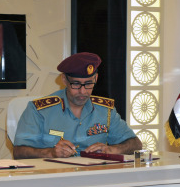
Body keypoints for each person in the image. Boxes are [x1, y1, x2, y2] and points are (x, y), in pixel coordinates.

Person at [13, 52, 142, 159]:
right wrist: (51, 153)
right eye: (76, 84)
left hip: (94, 178)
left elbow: (135, 144)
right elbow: (19, 152)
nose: (82, 91)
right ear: (64, 80)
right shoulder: (39, 110)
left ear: (96, 78)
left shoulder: (105, 110)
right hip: (53, 178)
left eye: (88, 84)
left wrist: (111, 149)